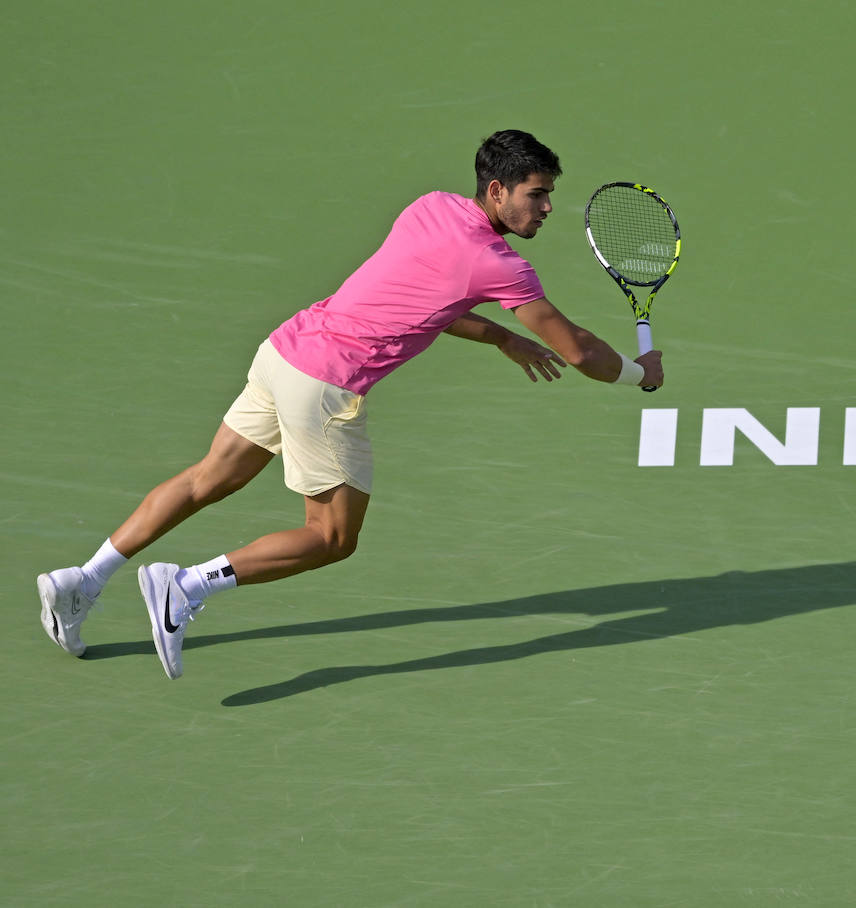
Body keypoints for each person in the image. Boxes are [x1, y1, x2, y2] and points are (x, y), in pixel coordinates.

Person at [36, 129, 664, 680]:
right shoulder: (501, 265)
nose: (548, 207)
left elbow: (427, 302)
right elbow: (578, 350)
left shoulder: (431, 207)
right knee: (332, 537)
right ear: (498, 191)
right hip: (325, 386)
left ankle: (84, 579)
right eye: (537, 193)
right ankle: (187, 586)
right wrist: (641, 375)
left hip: (284, 351)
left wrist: (500, 336)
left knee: (208, 477)